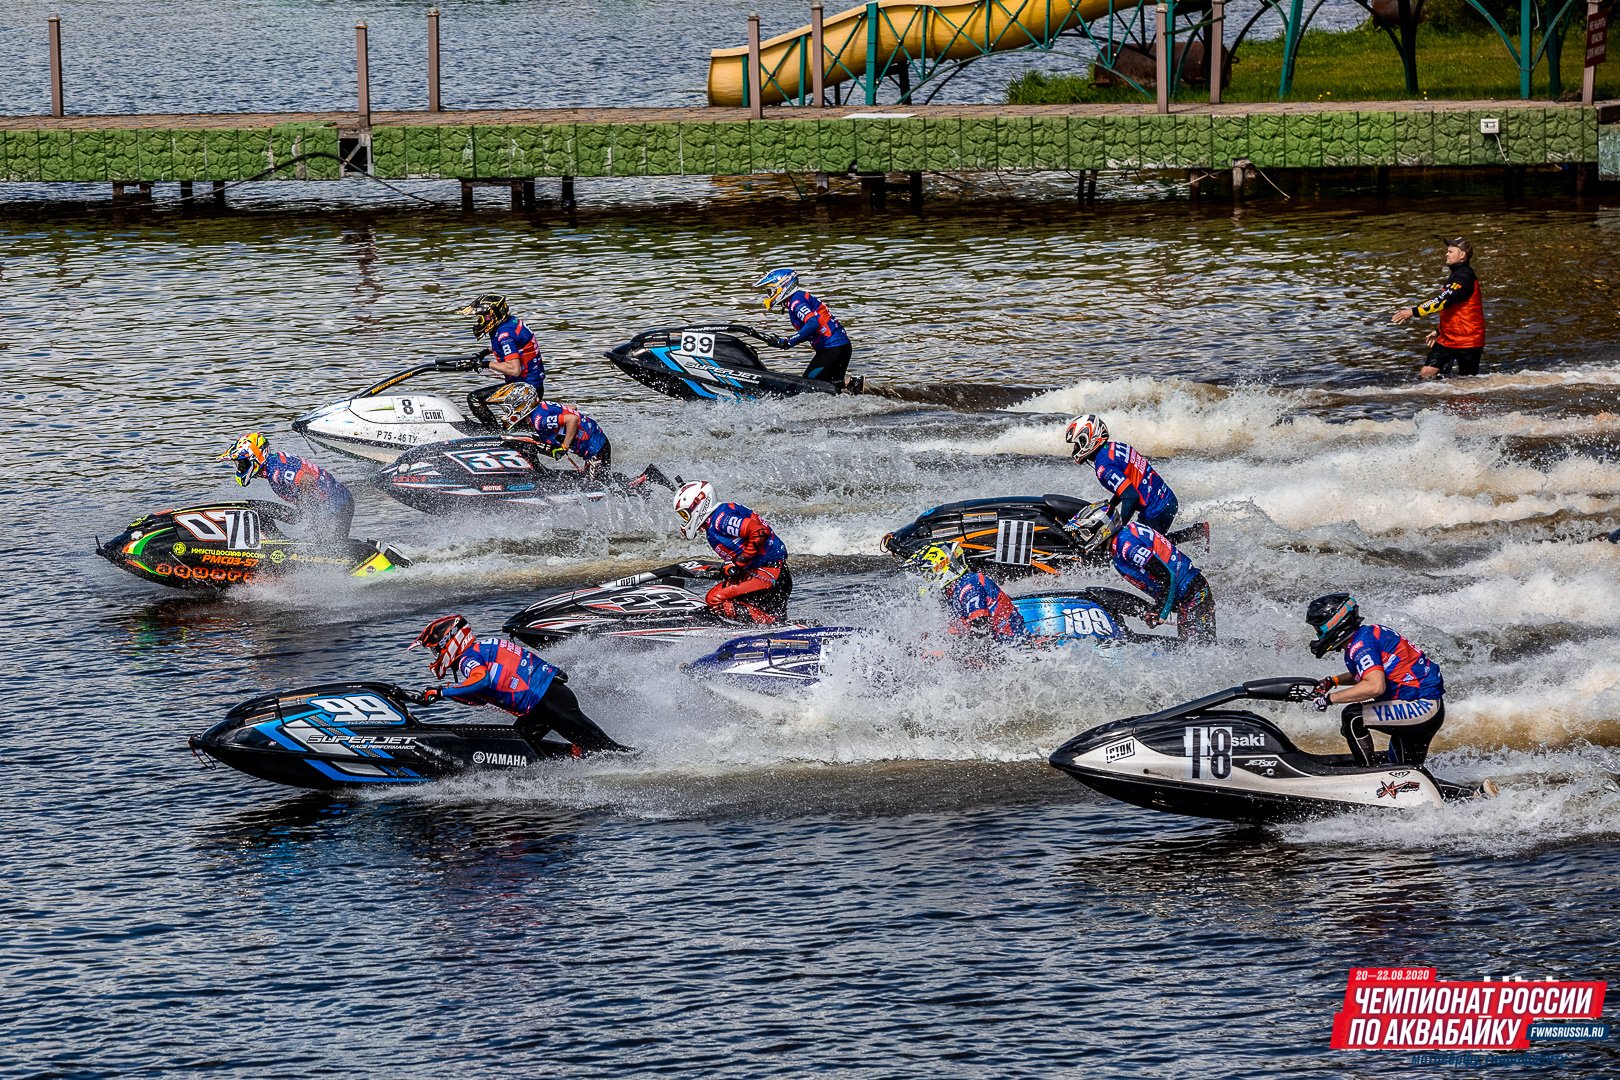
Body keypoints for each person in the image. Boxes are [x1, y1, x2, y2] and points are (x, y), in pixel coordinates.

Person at [409, 615, 628, 755]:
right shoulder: (481, 648)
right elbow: (482, 694)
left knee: (608, 751)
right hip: (545, 703)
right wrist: (449, 694)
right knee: (516, 749)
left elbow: (482, 680)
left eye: (435, 650)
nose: (435, 656)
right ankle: (573, 760)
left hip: (548, 703)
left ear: (449, 642)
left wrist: (441, 691)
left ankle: (643, 764)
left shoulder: (467, 659)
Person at [1302, 594, 1445, 767]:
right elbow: (1370, 673)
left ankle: (1367, 774)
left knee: (1353, 717)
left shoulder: (1361, 645)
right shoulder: (1365, 635)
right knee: (1405, 769)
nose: (1317, 636)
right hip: (1421, 705)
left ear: (1332, 625)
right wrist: (1333, 681)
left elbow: (1375, 686)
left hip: (1421, 706)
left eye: (1318, 630)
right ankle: (1474, 792)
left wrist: (1328, 699)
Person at [1069, 502, 1216, 643]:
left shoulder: (1126, 546)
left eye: (1084, 533)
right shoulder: (1126, 534)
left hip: (1193, 595)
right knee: (1194, 648)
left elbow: (1166, 575)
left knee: (1197, 650)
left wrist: (1161, 611)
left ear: (1102, 529)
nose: (1081, 539)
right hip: (1189, 594)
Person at [486, 383, 671, 491]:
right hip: (594, 442)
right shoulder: (540, 410)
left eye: (508, 408)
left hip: (596, 448)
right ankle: (637, 479)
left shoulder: (539, 420)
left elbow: (572, 418)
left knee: (598, 487)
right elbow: (572, 407)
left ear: (521, 405)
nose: (506, 412)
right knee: (602, 479)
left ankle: (647, 477)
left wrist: (564, 447)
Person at [673, 480, 792, 623]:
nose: (685, 521)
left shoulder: (720, 520)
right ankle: (769, 624)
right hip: (768, 573)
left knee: (714, 598)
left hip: (770, 574)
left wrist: (738, 563)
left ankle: (772, 625)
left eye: (685, 515)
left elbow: (760, 531)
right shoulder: (717, 518)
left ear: (699, 506)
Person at [217, 432, 355, 539]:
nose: (240, 468)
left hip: (336, 508)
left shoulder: (275, 470)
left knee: (323, 548)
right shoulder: (273, 463)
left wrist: (313, 517)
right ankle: (274, 542)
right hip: (336, 503)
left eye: (242, 463)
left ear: (255, 458)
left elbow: (307, 480)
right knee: (259, 509)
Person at [1063, 414, 1179, 533]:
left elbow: (1131, 496)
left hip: (1156, 510)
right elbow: (1126, 484)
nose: (1075, 449)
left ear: (1087, 440)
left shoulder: (1104, 467)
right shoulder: (1115, 446)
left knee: (1129, 544)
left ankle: (1193, 534)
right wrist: (1111, 506)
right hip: (1166, 499)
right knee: (1158, 542)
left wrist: (1118, 528)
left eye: (1077, 444)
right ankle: (1194, 532)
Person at [753, 267, 862, 392]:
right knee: (831, 388)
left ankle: (853, 388)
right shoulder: (798, 298)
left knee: (806, 386)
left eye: (771, 291)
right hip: (840, 347)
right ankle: (856, 388)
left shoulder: (796, 301)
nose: (769, 295)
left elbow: (812, 323)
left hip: (832, 349)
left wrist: (788, 341)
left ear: (782, 287)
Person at [1391, 238, 1484, 379]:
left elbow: (1442, 302)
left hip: (1468, 340)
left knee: (1467, 384)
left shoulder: (1464, 277)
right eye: (1447, 251)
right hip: (1448, 338)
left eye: (1450, 251)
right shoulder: (1456, 275)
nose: (1446, 254)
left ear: (1462, 255)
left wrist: (1412, 312)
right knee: (1426, 374)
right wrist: (1439, 330)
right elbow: (1454, 309)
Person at [907, 542, 1026, 644]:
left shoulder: (969, 584)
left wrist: (950, 651)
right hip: (997, 647)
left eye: (927, 574)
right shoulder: (953, 592)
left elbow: (981, 629)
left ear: (941, 568)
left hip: (1010, 645)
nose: (925, 579)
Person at [456, 293, 546, 422]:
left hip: (525, 390)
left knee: (474, 398)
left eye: (483, 318)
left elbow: (514, 370)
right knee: (518, 424)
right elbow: (513, 345)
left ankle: (492, 433)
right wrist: (483, 353)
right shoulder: (511, 323)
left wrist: (485, 364)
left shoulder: (504, 334)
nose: (480, 321)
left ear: (494, 315)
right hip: (533, 386)